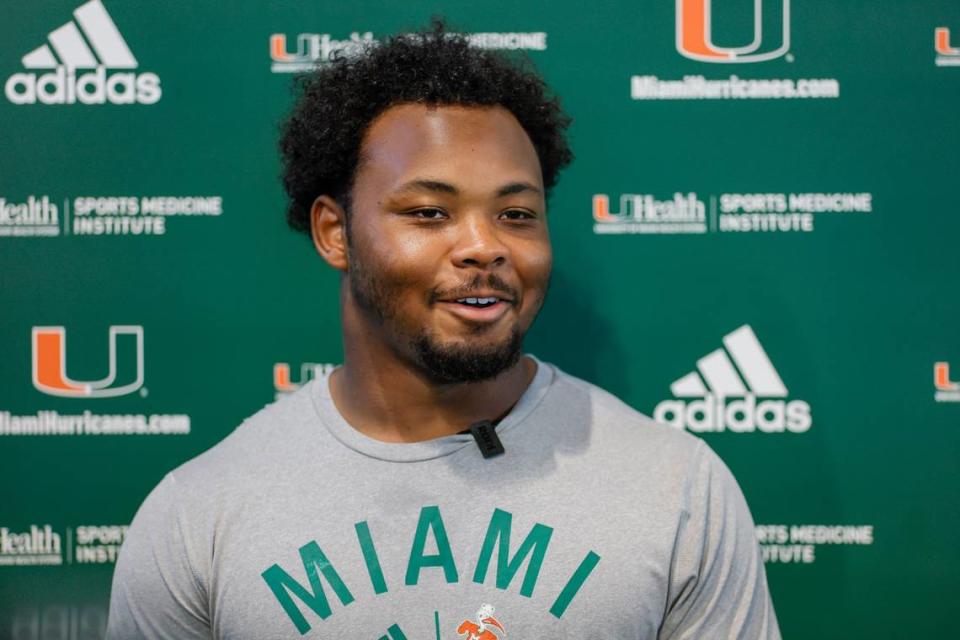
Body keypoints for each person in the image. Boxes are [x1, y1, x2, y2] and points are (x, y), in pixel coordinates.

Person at [107, 20, 781, 639]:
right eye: (430, 213)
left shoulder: (675, 489)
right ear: (334, 232)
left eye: (516, 214)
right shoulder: (199, 516)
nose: (484, 247)